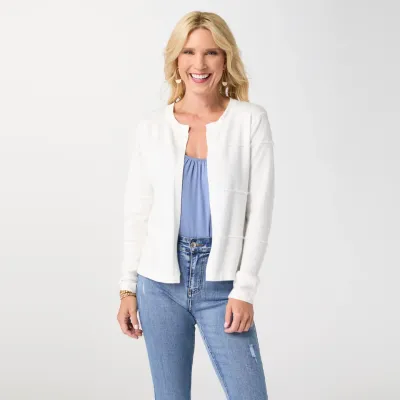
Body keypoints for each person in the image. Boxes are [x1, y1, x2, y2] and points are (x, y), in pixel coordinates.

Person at [116, 11, 275, 400]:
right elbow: (138, 213)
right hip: (159, 284)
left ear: (226, 59)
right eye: (189, 52)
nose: (199, 64)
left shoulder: (250, 121)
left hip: (223, 283)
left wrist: (245, 289)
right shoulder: (152, 127)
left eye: (211, 52)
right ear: (176, 59)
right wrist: (127, 289)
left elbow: (259, 213)